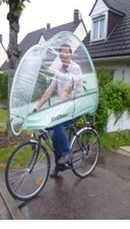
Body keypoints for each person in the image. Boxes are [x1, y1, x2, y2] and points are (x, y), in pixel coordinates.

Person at [32, 43, 82, 177]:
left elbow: (66, 89)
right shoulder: (59, 70)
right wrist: (37, 106)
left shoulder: (75, 68)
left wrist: (58, 104)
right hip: (64, 106)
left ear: (71, 54)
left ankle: (66, 153)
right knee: (54, 136)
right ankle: (59, 165)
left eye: (67, 52)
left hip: (75, 107)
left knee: (56, 122)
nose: (64, 54)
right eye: (62, 52)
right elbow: (49, 90)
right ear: (60, 55)